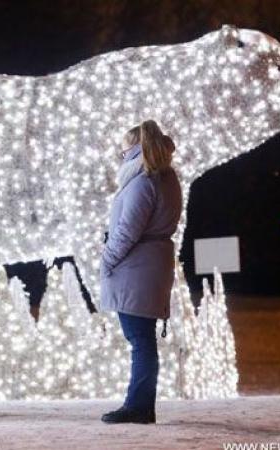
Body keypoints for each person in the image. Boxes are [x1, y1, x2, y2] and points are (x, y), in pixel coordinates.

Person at [99, 120, 183, 424]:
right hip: (150, 266)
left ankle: (139, 406)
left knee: (140, 340)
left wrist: (106, 261)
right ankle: (140, 404)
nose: (121, 156)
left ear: (134, 149)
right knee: (143, 338)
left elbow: (126, 231)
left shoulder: (143, 182)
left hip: (136, 269)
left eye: (124, 150)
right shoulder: (166, 177)